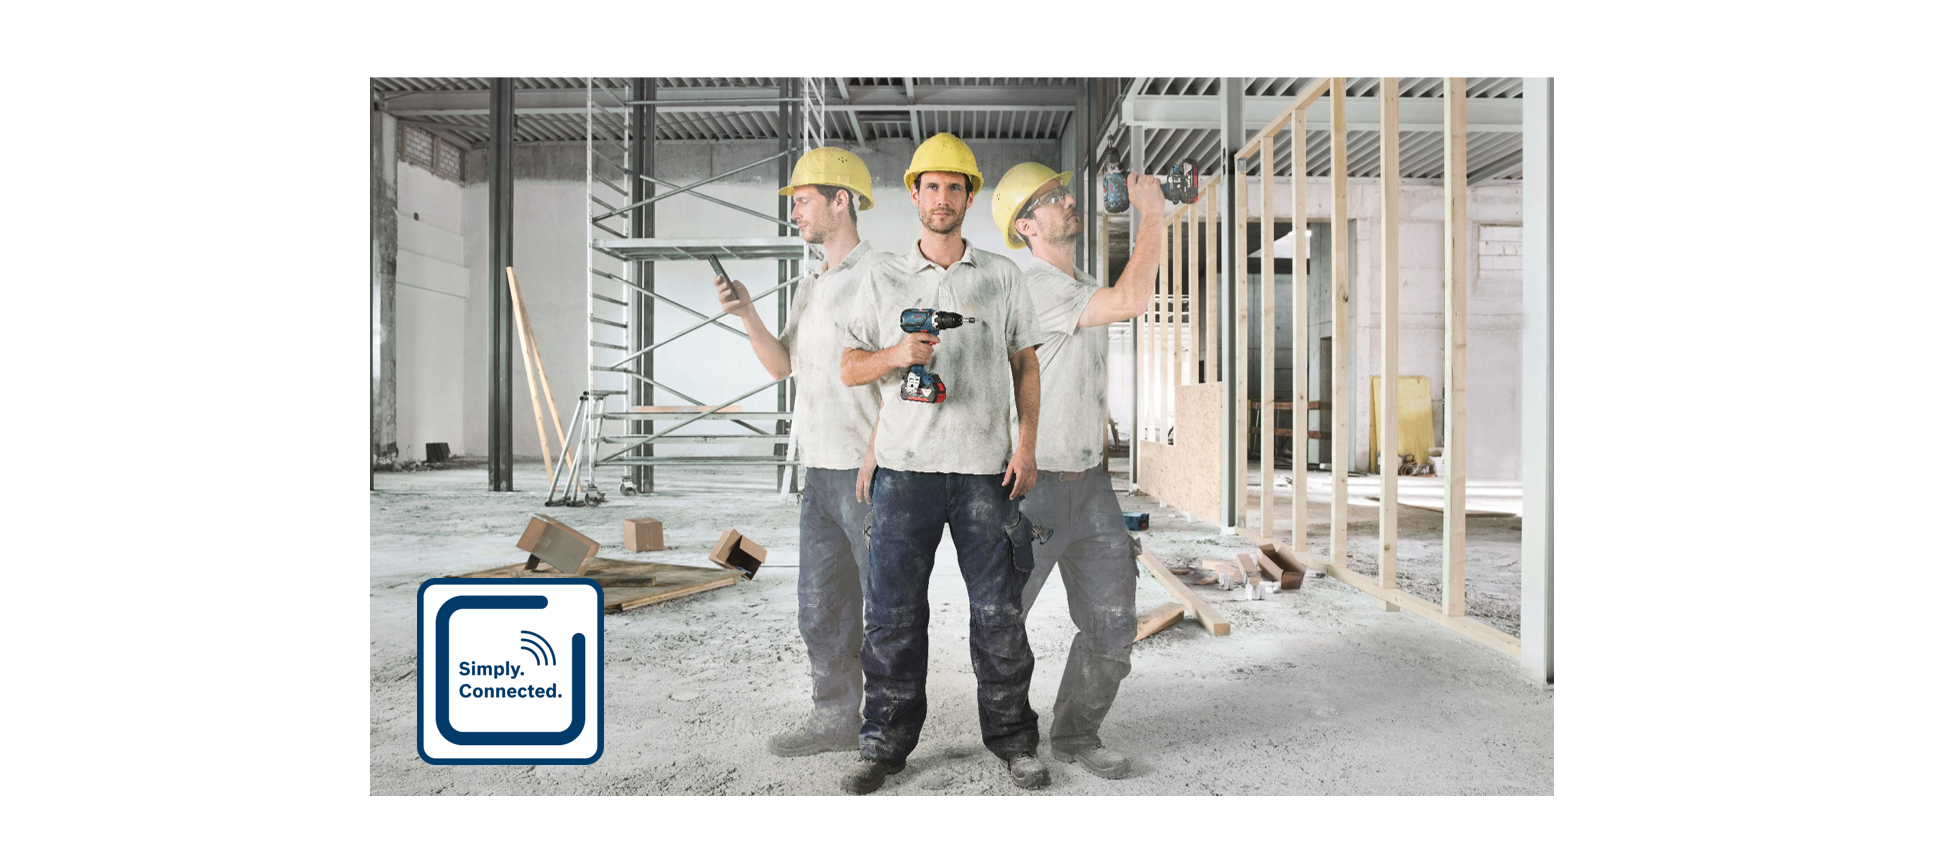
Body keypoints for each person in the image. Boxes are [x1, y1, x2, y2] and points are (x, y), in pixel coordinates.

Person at [837, 133, 1047, 794]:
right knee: (893, 618)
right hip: (905, 473)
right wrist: (898, 355)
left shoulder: (1001, 275)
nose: (943, 197)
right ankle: (883, 745)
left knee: (998, 615)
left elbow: (1025, 363)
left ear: (969, 198)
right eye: (932, 186)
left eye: (955, 187)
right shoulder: (883, 277)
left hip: (986, 470)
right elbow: (850, 367)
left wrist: (1026, 445)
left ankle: (1014, 741)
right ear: (915, 193)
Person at [986, 161, 1164, 780]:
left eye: (1064, 192)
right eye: (1051, 198)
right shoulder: (1033, 285)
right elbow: (1133, 299)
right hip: (1031, 491)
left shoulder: (1081, 283)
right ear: (1026, 226)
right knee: (1004, 622)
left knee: (1113, 623)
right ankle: (1013, 742)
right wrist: (1153, 215)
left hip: (1090, 486)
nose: (1067, 201)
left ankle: (1077, 734)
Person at [715, 147, 887, 759]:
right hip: (817, 473)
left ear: (841, 201)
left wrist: (877, 452)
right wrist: (746, 314)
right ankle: (834, 719)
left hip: (869, 475)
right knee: (820, 608)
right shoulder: (810, 283)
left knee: (886, 611)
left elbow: (905, 375)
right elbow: (781, 365)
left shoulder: (882, 275)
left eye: (803, 201)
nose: (795, 213)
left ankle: (887, 729)